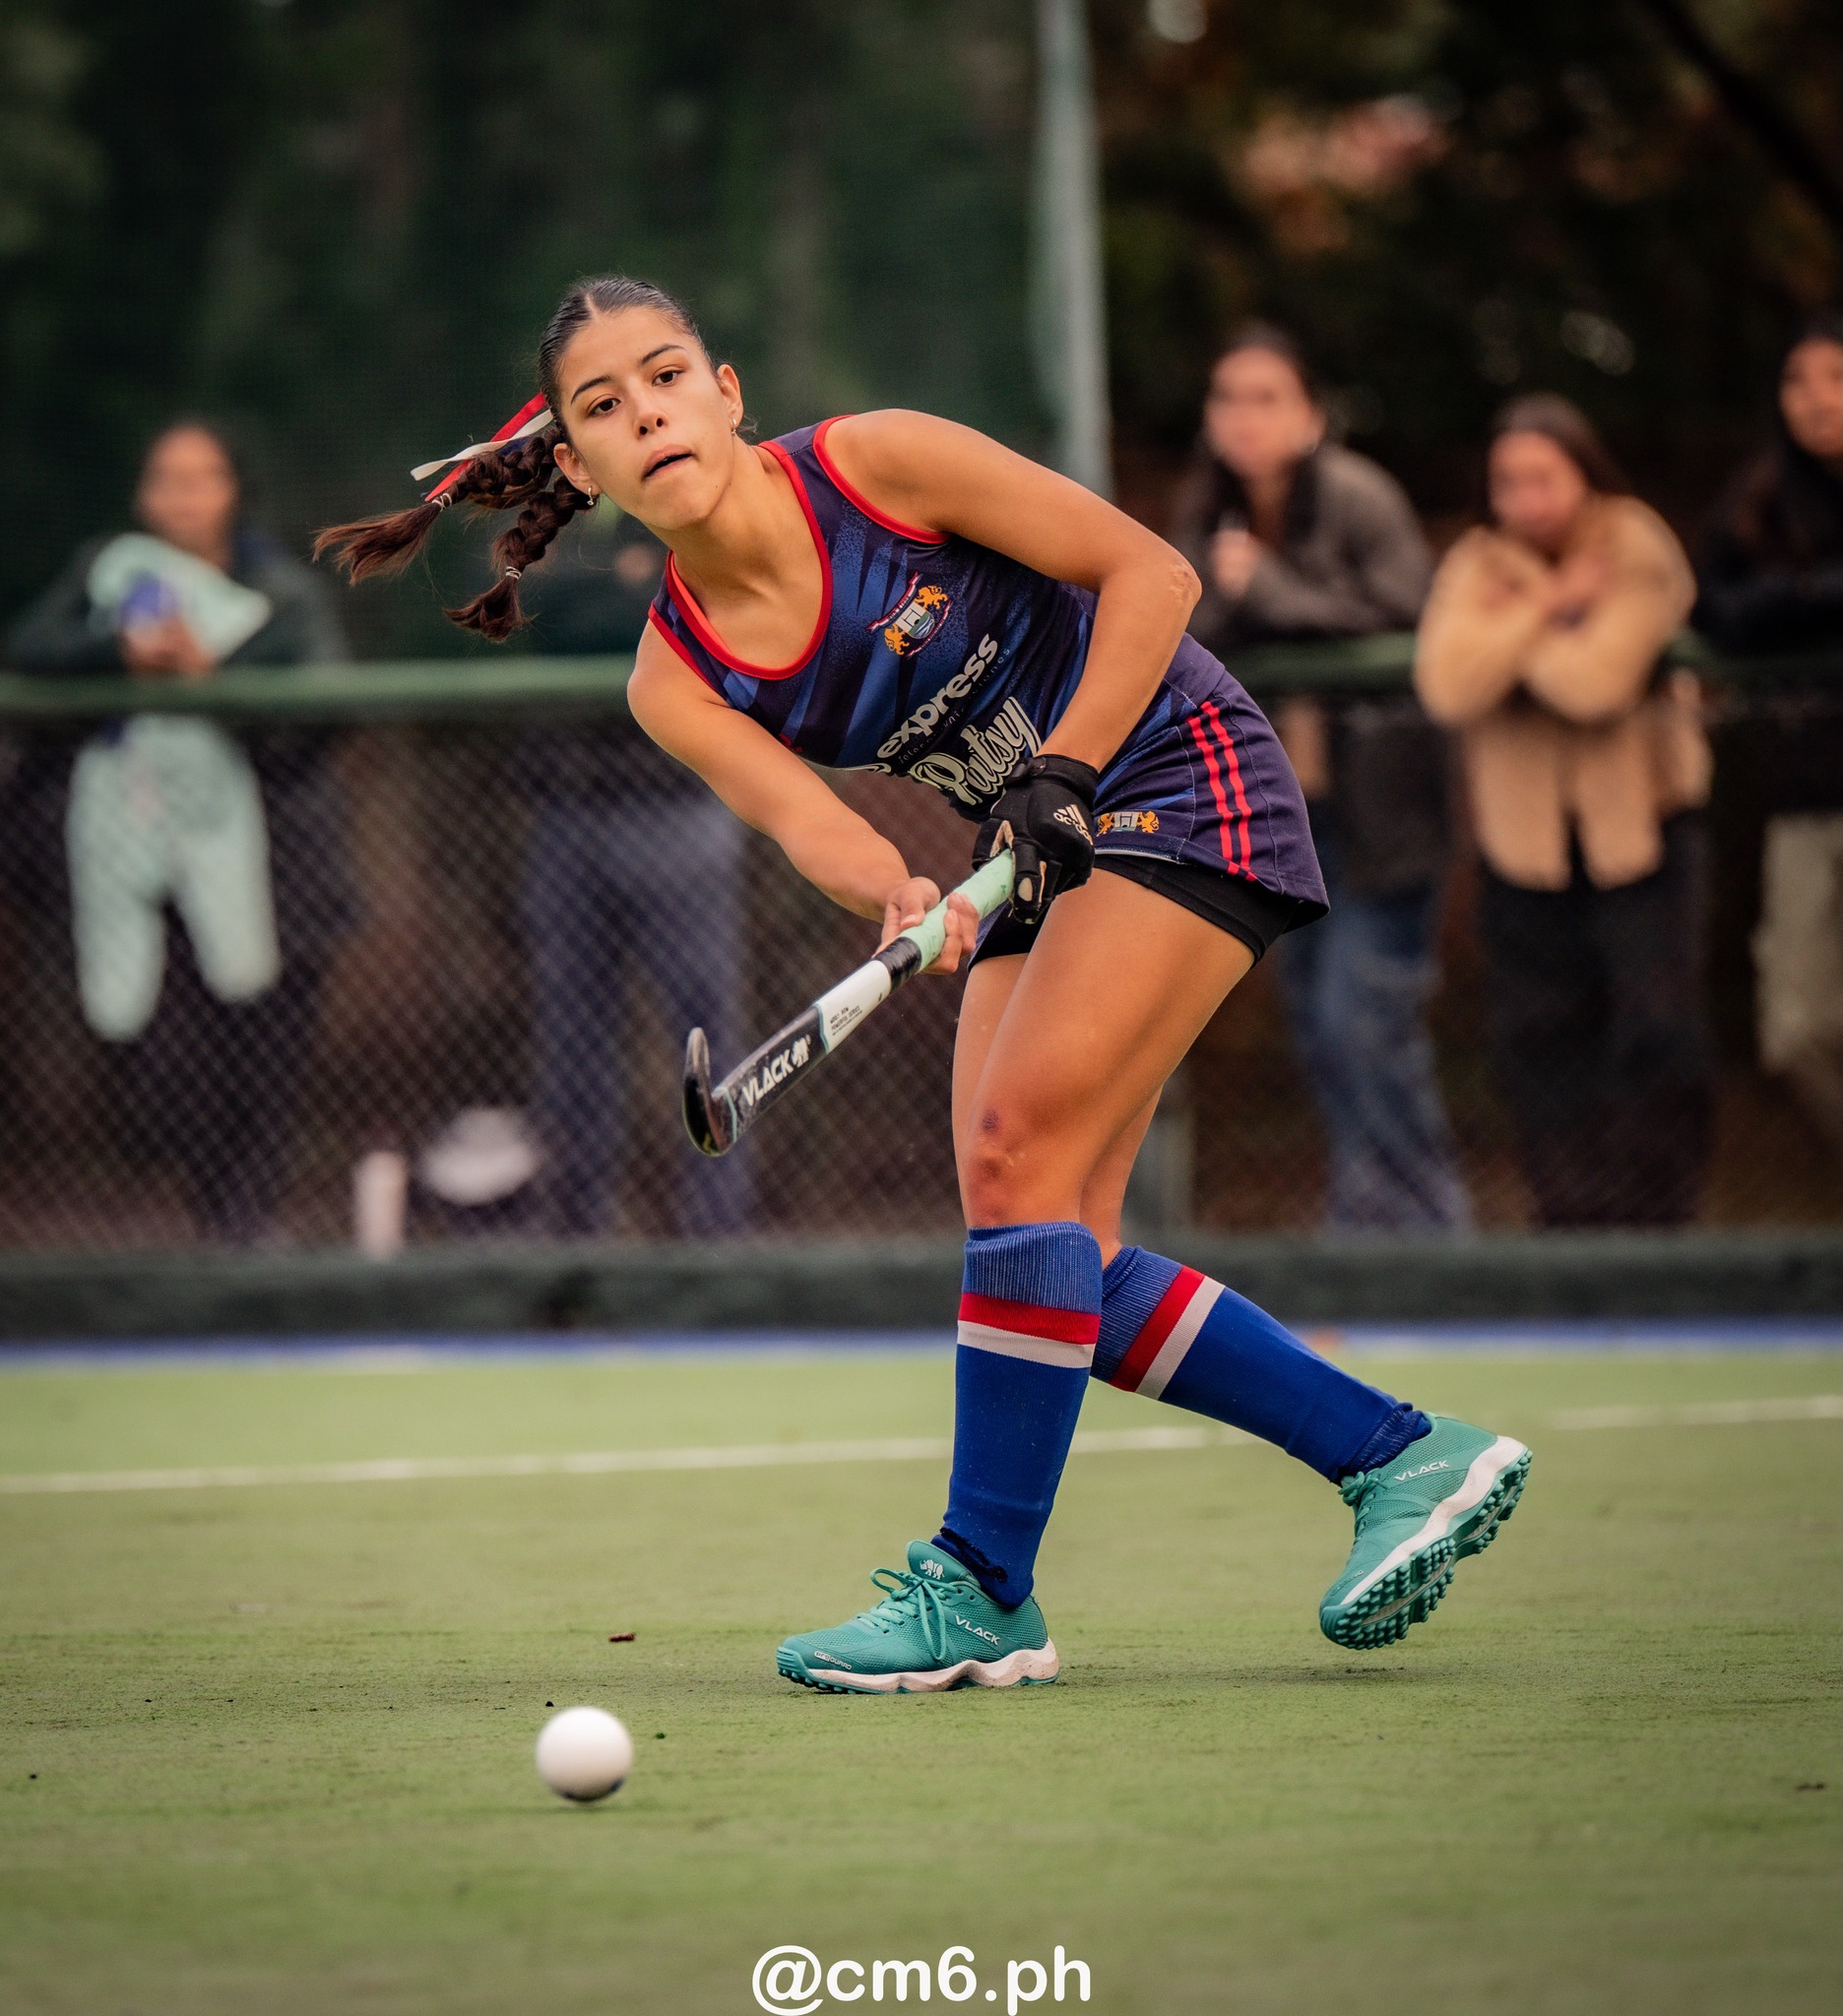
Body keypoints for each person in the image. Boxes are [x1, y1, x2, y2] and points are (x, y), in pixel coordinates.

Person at [320, 275, 1531, 1690]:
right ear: (580, 467)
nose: (645, 411)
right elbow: (817, 827)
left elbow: (1157, 575)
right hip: (1030, 847)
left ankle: (980, 1586)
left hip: (1173, 770)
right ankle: (1402, 1457)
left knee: (1017, 1160)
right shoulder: (673, 678)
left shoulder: (878, 465)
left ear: (726, 394)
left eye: (665, 375)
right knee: (1036, 1234)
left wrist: (1062, 772)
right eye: (604, 405)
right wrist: (898, 895)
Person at [6, 421, 356, 1242]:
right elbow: (31, 649)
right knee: (172, 1067)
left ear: (233, 490)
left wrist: (213, 677)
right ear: (143, 492)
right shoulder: (112, 571)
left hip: (277, 873)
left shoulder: (278, 588)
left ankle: (248, 1231)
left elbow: (328, 706)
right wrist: (121, 655)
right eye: (167, 478)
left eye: (201, 478)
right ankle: (212, 1228)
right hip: (141, 865)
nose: (183, 496)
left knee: (265, 1060)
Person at [1170, 327, 1468, 1230]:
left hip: (1382, 817)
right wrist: (1242, 593)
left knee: (1367, 1024)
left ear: (1310, 413)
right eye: (1228, 397)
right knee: (1318, 1031)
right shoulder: (1205, 510)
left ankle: (1431, 1242)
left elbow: (1410, 613)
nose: (1245, 418)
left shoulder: (1361, 497)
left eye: (1267, 397)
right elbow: (1176, 629)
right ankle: (1368, 1236)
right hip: (1273, 822)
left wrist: (1268, 591)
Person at [1415, 396, 1709, 1227]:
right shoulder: (1477, 559)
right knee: (1538, 1039)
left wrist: (1506, 634)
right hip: (1523, 846)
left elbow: (1597, 683)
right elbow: (1446, 682)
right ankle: (1570, 1230)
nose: (1526, 499)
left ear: (1585, 472)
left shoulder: (1635, 539)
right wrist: (1551, 606)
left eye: (1544, 478)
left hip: (1642, 836)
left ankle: (1658, 1229)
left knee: (1656, 1032)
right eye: (1507, 481)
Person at [513, 511, 755, 1235]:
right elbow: (519, 607)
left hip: (676, 808)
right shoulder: (545, 511)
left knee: (704, 1028)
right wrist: (605, 590)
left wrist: (597, 596)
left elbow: (692, 609)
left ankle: (719, 1238)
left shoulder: (678, 498)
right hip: (564, 812)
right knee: (573, 1038)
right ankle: (577, 1238)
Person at [1695, 316, 1843, 1152]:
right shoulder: (1760, 498)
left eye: (1834, 376)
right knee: (1798, 1026)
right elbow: (1719, 611)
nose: (1817, 398)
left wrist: (1794, 600)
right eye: (1798, 379)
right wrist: (1817, 596)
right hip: (1804, 799)